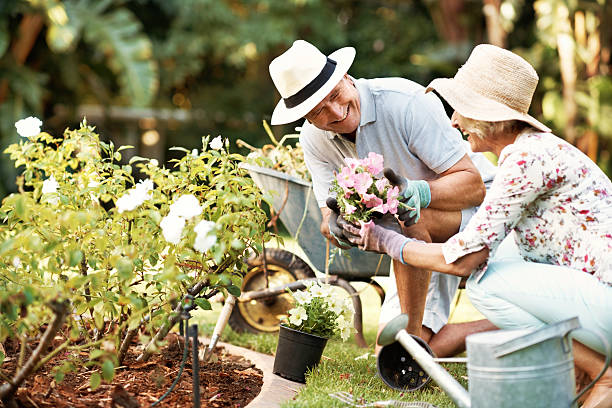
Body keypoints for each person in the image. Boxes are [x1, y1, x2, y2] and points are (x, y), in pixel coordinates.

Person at [341, 44, 612, 408]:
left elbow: (465, 259)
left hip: (604, 299)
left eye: (461, 110)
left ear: (489, 116)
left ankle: (602, 374)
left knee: (484, 282)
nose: (454, 122)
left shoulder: (526, 161)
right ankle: (582, 370)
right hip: (597, 295)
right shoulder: (529, 152)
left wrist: (386, 241)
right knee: (506, 256)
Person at [268, 39, 499, 357]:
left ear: (346, 78)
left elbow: (475, 186)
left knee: (410, 214)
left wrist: (419, 192)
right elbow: (327, 217)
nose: (335, 112)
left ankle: (412, 342)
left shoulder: (405, 102)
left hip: (481, 215)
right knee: (384, 353)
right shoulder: (314, 140)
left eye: (335, 95)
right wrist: (336, 227)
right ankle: (503, 328)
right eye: (319, 111)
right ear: (306, 118)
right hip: (414, 242)